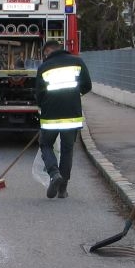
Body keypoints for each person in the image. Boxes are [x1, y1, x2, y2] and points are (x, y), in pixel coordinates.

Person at [35, 40, 92, 199]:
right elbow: (87, 85)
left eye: (45, 53)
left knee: (46, 145)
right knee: (67, 150)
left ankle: (54, 174)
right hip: (72, 116)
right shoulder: (77, 62)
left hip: (50, 116)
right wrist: (74, 95)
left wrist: (43, 106)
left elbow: (39, 94)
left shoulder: (44, 67)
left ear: (48, 51)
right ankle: (62, 189)